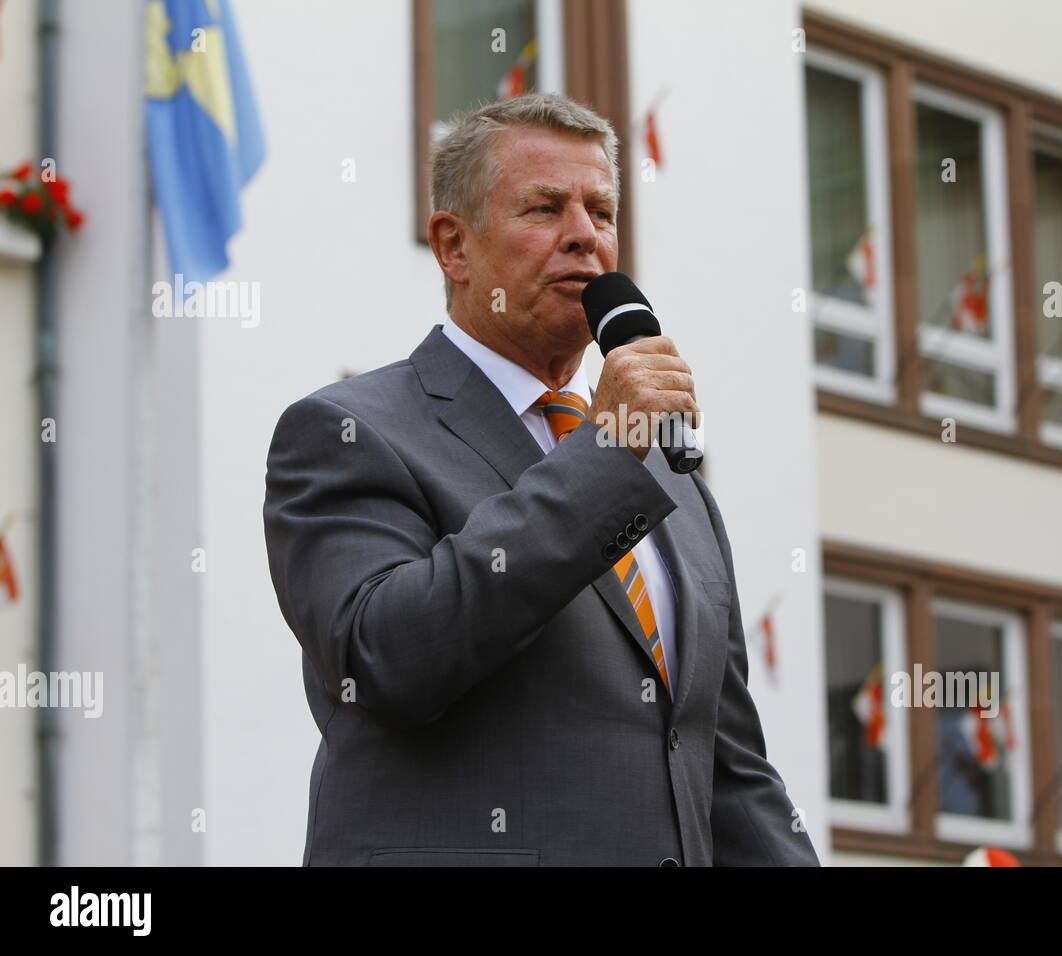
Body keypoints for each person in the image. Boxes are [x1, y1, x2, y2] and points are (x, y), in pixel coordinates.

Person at [262, 92, 819, 866]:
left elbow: (727, 767)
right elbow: (386, 659)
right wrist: (602, 456)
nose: (585, 236)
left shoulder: (667, 475)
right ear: (455, 248)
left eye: (602, 210)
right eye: (544, 208)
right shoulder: (350, 433)